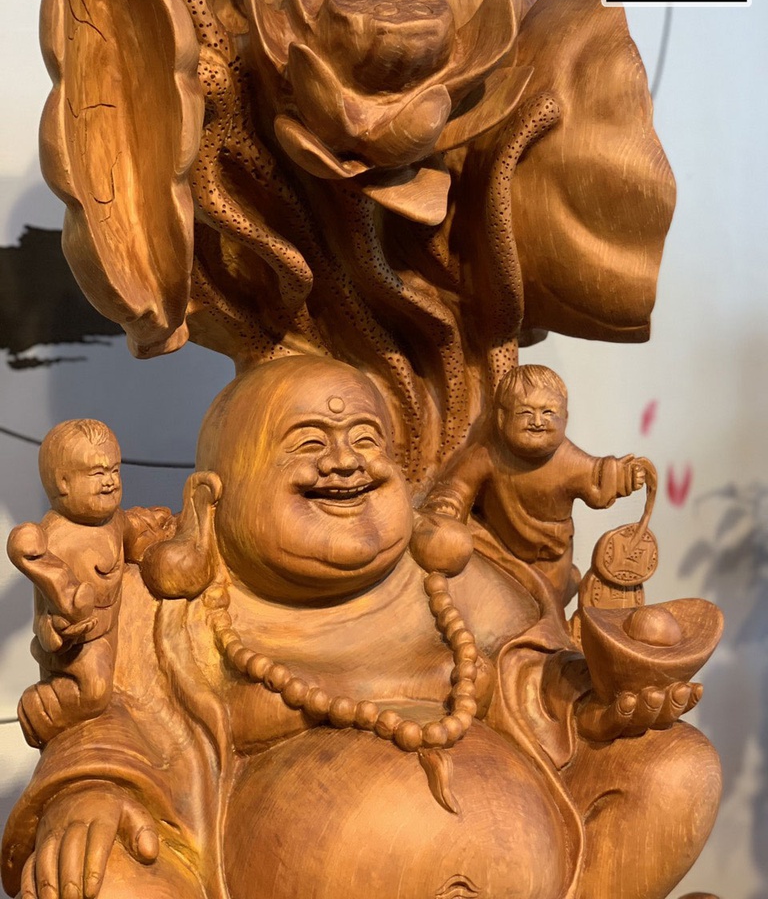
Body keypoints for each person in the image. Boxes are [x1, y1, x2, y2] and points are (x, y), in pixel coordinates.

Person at [2, 359, 719, 899]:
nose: (344, 461)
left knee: (676, 767)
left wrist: (603, 708)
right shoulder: (172, 612)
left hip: (543, 869)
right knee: (85, 876)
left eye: (365, 439)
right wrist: (91, 789)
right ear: (212, 495)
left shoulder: (456, 579)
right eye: (308, 442)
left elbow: (536, 685)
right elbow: (108, 720)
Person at [416, 365, 648, 602]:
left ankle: (566, 587)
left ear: (565, 419)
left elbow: (598, 476)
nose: (537, 421)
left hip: (549, 559)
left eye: (548, 412)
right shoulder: (489, 453)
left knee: (547, 602)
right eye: (525, 412)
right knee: (484, 592)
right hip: (495, 546)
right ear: (502, 418)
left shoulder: (570, 460)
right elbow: (458, 486)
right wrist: (447, 507)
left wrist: (623, 476)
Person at [7, 419, 171, 747]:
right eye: (97, 473)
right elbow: (43, 617)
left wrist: (156, 533)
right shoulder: (56, 540)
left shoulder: (113, 520)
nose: (110, 481)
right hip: (79, 644)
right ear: (63, 483)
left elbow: (133, 537)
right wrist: (57, 633)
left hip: (113, 629)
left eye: (115, 470)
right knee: (95, 694)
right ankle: (39, 709)